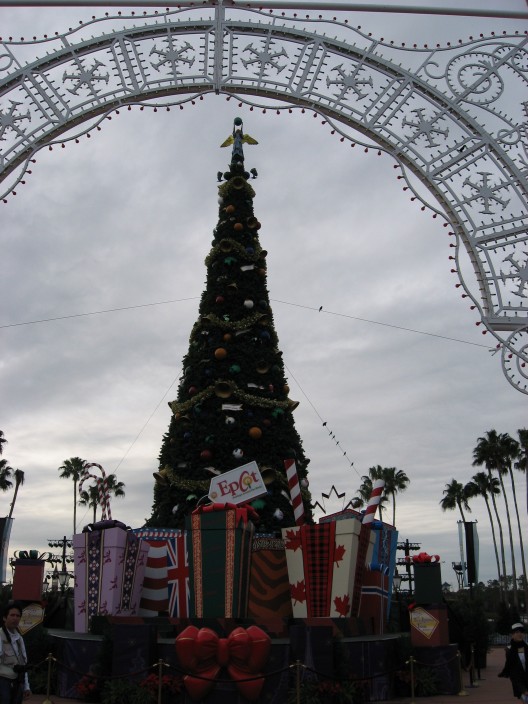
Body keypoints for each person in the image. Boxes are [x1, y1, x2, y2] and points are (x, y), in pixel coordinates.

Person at [0, 603, 31, 704]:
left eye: (18, 616)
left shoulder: (19, 639)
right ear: (5, 618)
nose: (15, 618)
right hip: (3, 683)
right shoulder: (0, 635)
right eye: (12, 615)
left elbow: (23, 664)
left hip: (18, 683)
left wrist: (26, 687)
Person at [499, 622, 528, 702]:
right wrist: (522, 689)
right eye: (517, 632)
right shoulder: (509, 650)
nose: (520, 634)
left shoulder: (526, 647)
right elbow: (513, 671)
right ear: (512, 635)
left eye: (521, 632)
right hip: (520, 682)